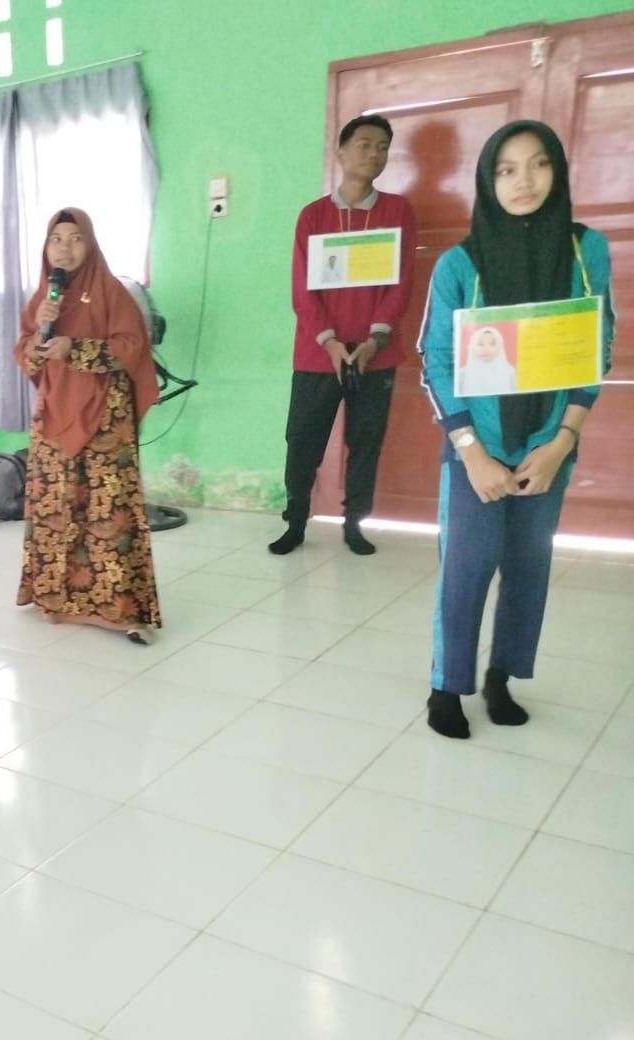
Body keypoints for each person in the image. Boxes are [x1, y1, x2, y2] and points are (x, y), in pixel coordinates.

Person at [417, 120, 614, 740]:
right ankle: (447, 686)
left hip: (548, 445)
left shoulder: (587, 251)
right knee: (469, 564)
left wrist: (560, 444)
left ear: (557, 173)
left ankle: (502, 675)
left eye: (537, 165)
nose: (522, 180)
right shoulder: (460, 263)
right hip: (478, 446)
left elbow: (595, 346)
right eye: (506, 169)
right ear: (487, 179)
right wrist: (471, 452)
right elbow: (437, 359)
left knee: (529, 563)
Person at [272, 113, 419, 557]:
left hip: (377, 352)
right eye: (364, 144)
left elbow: (401, 282)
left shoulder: (397, 211)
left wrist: (374, 339)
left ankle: (355, 524)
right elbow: (303, 290)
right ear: (340, 151)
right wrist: (331, 341)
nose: (374, 153)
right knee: (302, 440)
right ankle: (295, 521)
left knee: (366, 442)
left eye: (382, 147)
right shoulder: (313, 216)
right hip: (318, 353)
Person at [16, 207, 162, 645]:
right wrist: (39, 343)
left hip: (104, 418)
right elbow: (25, 353)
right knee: (56, 508)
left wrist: (75, 349)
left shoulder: (112, 292)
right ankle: (57, 600)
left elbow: (131, 348)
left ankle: (118, 609)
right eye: (56, 239)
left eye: (75, 238)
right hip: (54, 417)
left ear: (91, 244)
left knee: (107, 512)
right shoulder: (44, 297)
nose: (65, 247)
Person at [456, 326, 518, 397]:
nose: (486, 349)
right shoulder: (462, 374)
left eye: (492, 344)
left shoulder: (510, 372)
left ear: (499, 347)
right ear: (473, 347)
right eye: (480, 344)